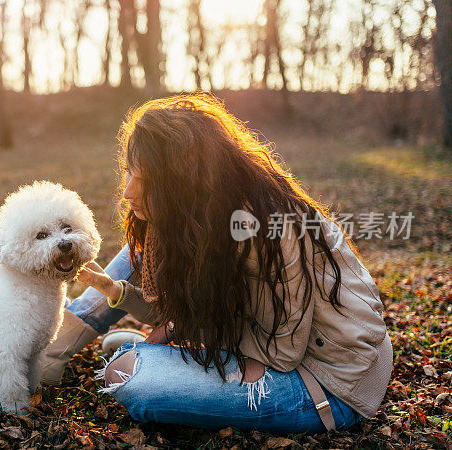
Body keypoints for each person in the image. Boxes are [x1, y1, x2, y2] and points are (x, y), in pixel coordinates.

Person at [40, 94, 392, 435]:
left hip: (325, 383)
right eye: (128, 172)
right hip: (289, 351)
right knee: (142, 248)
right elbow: (178, 308)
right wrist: (126, 298)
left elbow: (282, 352)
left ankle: (141, 353)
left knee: (128, 375)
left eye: (143, 179)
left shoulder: (261, 231)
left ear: (182, 181)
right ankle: (53, 350)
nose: (127, 191)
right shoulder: (205, 215)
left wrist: (172, 331)